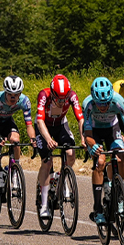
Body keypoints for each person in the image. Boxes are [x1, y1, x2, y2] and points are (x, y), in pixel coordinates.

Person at [82, 77, 124, 225]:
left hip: (112, 129)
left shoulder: (118, 101)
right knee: (100, 161)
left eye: (106, 103)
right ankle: (98, 208)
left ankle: (119, 194)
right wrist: (93, 146)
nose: (103, 107)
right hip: (94, 131)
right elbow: (87, 135)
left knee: (119, 157)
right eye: (99, 103)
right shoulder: (88, 104)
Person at [35, 74, 86, 218]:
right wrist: (48, 139)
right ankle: (44, 205)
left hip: (60, 124)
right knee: (47, 161)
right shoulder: (43, 95)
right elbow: (40, 121)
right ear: (52, 93)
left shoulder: (72, 96)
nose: (62, 102)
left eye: (64, 99)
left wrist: (83, 138)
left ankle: (62, 179)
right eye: (59, 99)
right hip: (44, 126)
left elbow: (81, 119)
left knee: (70, 154)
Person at [0, 75, 36, 212]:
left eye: (16, 94)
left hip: (7, 122)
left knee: (16, 140)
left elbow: (29, 125)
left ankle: (15, 169)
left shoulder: (24, 101)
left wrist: (33, 139)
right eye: (10, 94)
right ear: (5, 92)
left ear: (20, 93)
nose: (13, 97)